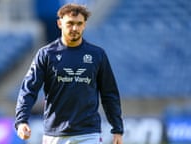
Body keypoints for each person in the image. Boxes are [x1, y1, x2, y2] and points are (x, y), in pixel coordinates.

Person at [15, 3, 124, 144]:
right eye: (70, 23)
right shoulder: (46, 54)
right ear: (60, 23)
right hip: (54, 134)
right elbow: (29, 89)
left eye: (79, 24)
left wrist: (117, 129)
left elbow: (109, 94)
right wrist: (21, 120)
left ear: (84, 25)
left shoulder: (97, 55)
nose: (75, 28)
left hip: (89, 133)